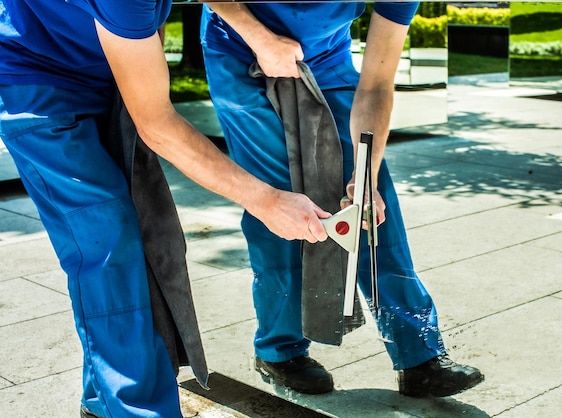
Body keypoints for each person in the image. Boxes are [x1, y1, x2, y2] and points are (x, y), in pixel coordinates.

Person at [0, 1, 330, 417]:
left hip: (106, 75)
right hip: (34, 86)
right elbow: (156, 122)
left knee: (148, 238)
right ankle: (140, 409)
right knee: (107, 243)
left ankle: (102, 401)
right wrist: (265, 199)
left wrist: (260, 38)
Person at [201, 1, 485, 398]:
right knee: (280, 201)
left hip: (326, 55)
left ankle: (419, 354)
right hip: (240, 48)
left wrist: (364, 175)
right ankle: (280, 350)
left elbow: (376, 85)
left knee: (370, 201)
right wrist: (260, 38)